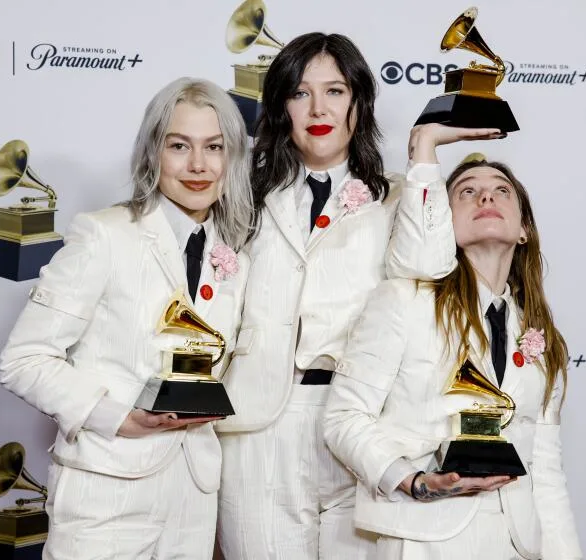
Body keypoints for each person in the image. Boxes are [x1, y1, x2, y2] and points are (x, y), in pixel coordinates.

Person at [214, 31, 502, 559]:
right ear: (281, 107)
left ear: (359, 102)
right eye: (300, 93)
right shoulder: (241, 193)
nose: (318, 108)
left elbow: (428, 265)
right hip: (260, 427)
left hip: (364, 426)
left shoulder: (399, 193)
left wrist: (423, 152)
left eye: (336, 91)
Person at [0, 77, 253, 560]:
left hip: (194, 493)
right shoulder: (103, 235)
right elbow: (24, 359)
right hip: (106, 488)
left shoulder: (235, 251)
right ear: (152, 153)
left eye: (214, 147)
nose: (198, 165)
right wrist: (118, 418)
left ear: (232, 158)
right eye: (179, 146)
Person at [322, 135, 583, 560]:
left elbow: (546, 470)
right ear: (443, 220)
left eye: (502, 190)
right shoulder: (403, 301)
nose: (486, 195)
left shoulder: (542, 336)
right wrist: (413, 480)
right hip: (425, 536)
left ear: (523, 230)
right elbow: (344, 419)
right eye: (466, 191)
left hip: (519, 543)